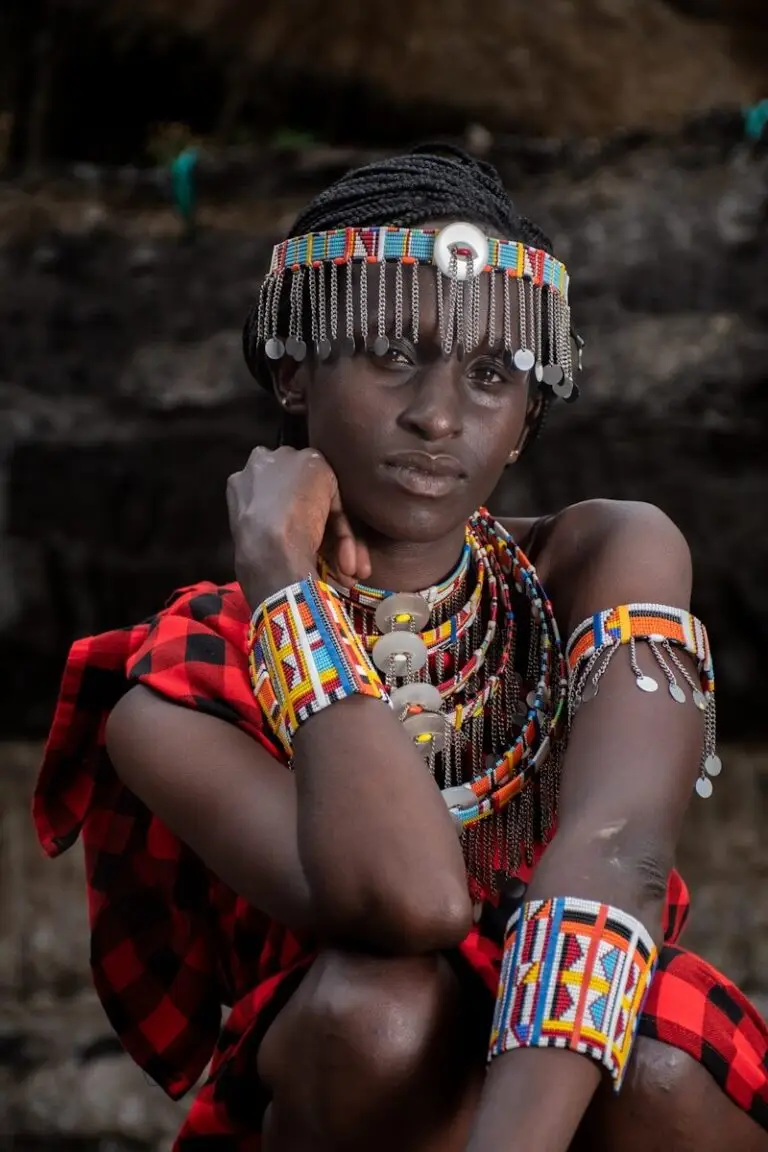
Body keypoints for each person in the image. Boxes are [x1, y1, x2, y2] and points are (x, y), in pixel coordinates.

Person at [33, 147, 768, 1152]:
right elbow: (409, 902)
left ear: (526, 419)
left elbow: (619, 852)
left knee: (663, 1058)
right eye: (390, 353)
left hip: (585, 1069)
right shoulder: (172, 691)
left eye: (491, 373)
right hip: (355, 1087)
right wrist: (288, 588)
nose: (437, 413)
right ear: (293, 370)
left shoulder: (607, 557)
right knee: (374, 1013)